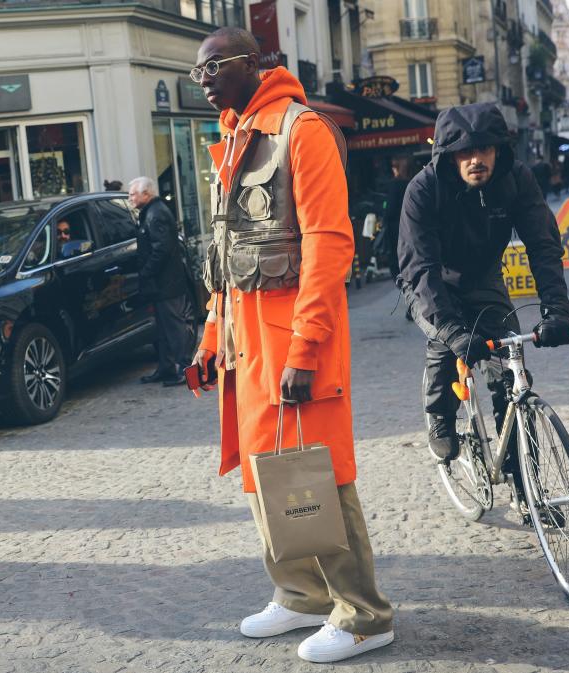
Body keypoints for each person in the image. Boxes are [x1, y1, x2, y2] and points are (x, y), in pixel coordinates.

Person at [189, 27, 394, 663]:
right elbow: (228, 252)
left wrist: (306, 349)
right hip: (246, 336)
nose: (203, 79)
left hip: (291, 334)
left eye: (214, 65)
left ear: (254, 64)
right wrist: (210, 334)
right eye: (197, 70)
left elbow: (330, 245)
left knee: (316, 474)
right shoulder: (234, 134)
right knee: (264, 472)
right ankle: (301, 593)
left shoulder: (301, 130)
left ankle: (364, 616)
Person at [397, 102, 569, 470]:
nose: (475, 159)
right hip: (429, 282)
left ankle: (523, 479)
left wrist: (557, 308)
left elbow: (543, 244)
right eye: (465, 151)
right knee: (446, 346)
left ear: (499, 150)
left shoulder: (516, 179)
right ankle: (440, 416)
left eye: (484, 149)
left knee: (509, 373)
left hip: (483, 277)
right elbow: (421, 267)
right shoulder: (423, 189)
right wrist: (451, 329)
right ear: (449, 155)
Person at [130, 177, 194, 387]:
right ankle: (166, 368)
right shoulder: (151, 212)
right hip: (161, 284)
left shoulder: (155, 214)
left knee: (174, 327)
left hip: (166, 282)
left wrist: (146, 272)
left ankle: (185, 369)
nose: (130, 198)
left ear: (146, 194)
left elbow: (161, 249)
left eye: (133, 194)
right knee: (164, 329)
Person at [378, 156, 414, 279]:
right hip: (409, 224)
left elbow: (391, 208)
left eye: (394, 166)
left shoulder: (395, 184)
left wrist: (384, 214)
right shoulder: (411, 182)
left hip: (395, 226)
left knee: (394, 253)